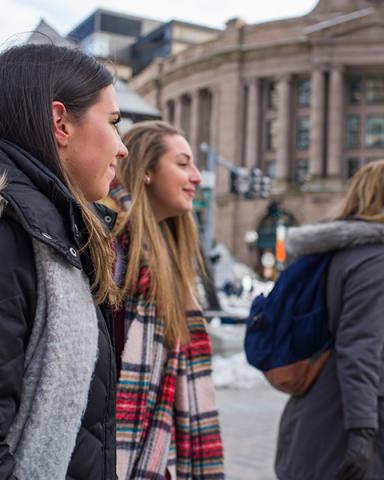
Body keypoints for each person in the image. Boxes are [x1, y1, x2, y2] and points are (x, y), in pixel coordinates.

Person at [275, 160, 384, 480]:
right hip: (370, 421)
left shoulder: (341, 251)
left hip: (330, 406)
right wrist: (362, 430)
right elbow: (359, 346)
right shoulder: (379, 257)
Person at [0, 44, 128, 479]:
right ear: (60, 123)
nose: (122, 147)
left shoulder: (56, 232)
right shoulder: (12, 232)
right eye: (112, 123)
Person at [105, 120, 224, 480]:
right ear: (147, 172)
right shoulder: (113, 246)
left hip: (156, 455)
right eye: (183, 163)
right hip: (115, 452)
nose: (197, 177)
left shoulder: (168, 257)